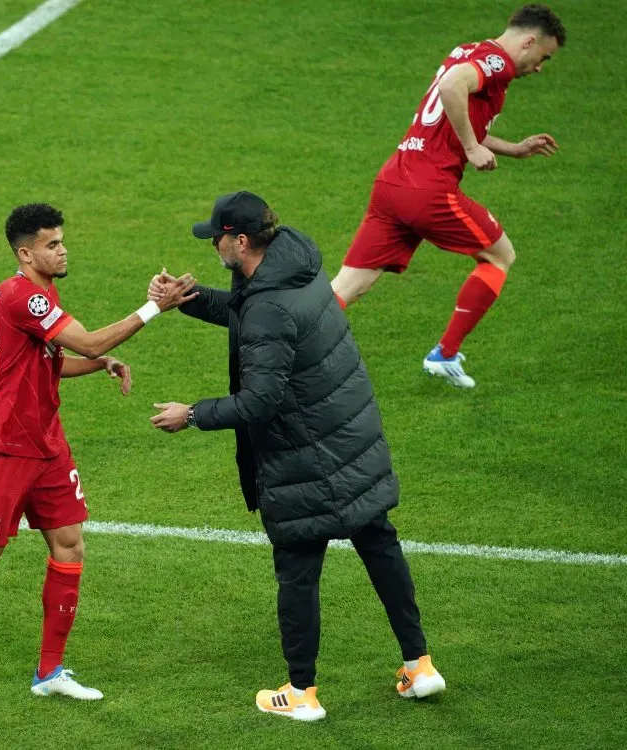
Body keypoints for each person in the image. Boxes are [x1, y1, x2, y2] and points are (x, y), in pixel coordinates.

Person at [0, 203, 196, 701]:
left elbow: (57, 360)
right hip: (6, 447)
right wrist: (154, 308)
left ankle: (49, 673)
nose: (62, 249)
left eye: (62, 240)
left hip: (47, 444)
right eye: (52, 244)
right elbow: (86, 341)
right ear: (26, 253)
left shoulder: (44, 292)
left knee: (69, 546)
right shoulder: (20, 296)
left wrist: (99, 365)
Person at [149, 191, 445, 721]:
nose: (212, 243)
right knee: (379, 544)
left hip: (306, 455)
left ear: (241, 241)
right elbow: (256, 319)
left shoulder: (266, 303)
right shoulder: (293, 263)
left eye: (216, 236)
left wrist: (191, 413)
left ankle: (302, 693)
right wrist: (187, 300)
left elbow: (259, 399)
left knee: (298, 567)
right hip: (351, 437)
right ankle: (421, 665)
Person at [331, 4, 566, 388]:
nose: (539, 67)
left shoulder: (467, 49)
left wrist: (513, 148)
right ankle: (444, 354)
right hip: (428, 188)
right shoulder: (498, 63)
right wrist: (473, 149)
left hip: (393, 182)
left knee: (347, 286)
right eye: (544, 57)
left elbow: (452, 114)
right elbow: (451, 86)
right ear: (529, 41)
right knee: (500, 255)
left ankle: (284, 347)